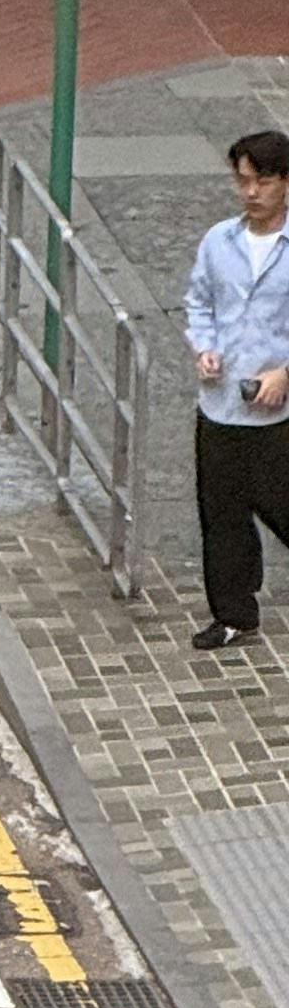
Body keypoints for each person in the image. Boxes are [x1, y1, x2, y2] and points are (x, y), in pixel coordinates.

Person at [186, 124, 289, 652]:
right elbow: (199, 301)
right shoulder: (219, 242)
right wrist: (204, 346)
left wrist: (284, 374)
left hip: (277, 418)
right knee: (222, 517)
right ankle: (233, 615)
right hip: (222, 406)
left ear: (285, 182)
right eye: (243, 181)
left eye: (262, 182)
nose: (251, 193)